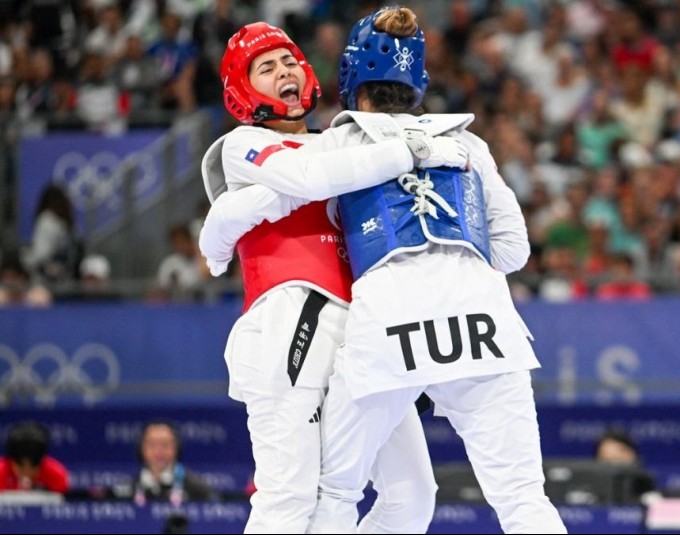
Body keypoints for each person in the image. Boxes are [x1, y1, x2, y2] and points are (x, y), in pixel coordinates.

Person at [201, 7, 566, 533]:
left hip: (376, 325)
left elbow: (307, 177)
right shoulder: (455, 143)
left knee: (395, 496)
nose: (283, 72)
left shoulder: (340, 142)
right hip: (309, 319)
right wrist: (421, 161)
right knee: (291, 498)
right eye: (266, 67)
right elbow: (513, 250)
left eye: (289, 61)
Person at [111, 420, 215, 504]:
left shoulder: (199, 489)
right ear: (141, 448)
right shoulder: (127, 490)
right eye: (152, 445)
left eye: (165, 445)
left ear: (177, 448)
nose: (158, 451)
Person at [0, 421, 69, 493]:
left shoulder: (56, 475)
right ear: (10, 459)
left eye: (33, 465)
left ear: (42, 459)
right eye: (20, 465)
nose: (26, 471)